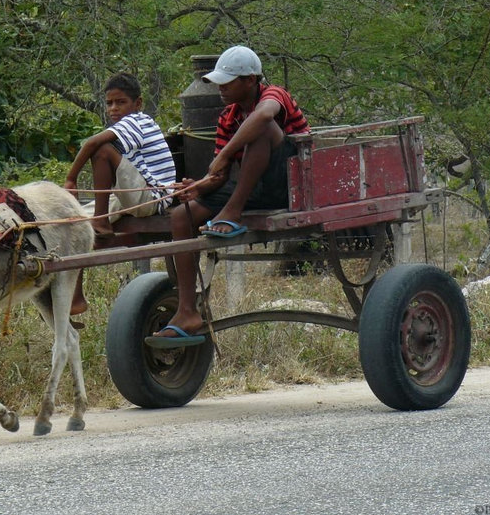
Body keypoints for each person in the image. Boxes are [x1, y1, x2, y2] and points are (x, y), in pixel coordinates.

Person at [148, 45, 310, 347]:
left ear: (250, 80)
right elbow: (219, 175)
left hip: (291, 186)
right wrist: (198, 186)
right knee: (181, 215)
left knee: (263, 127)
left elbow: (263, 117)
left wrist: (223, 156)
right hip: (252, 187)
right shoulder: (228, 117)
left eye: (227, 82)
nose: (221, 88)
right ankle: (186, 311)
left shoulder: (274, 95)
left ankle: (232, 211)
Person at [65, 72, 176, 315]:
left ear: (137, 104)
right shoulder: (125, 127)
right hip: (133, 195)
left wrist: (71, 178)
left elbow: (91, 144)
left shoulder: (138, 121)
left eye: (120, 102)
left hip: (152, 197)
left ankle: (102, 222)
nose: (113, 109)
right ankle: (76, 297)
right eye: (109, 103)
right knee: (77, 224)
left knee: (102, 150)